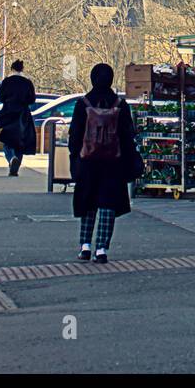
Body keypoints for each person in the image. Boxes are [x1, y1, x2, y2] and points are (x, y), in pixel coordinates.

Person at [67, 63, 142, 263]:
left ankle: (85, 246)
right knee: (107, 205)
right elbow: (127, 136)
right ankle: (102, 249)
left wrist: (75, 158)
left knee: (88, 203)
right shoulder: (120, 104)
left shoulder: (83, 104)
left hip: (88, 161)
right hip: (113, 163)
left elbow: (74, 135)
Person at [0, 60, 36, 176]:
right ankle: (15, 165)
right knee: (20, 141)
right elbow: (32, 99)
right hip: (23, 114)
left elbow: (0, 96)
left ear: (12, 69)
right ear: (22, 69)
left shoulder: (7, 81)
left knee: (6, 138)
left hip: (8, 112)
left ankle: (11, 158)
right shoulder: (27, 82)